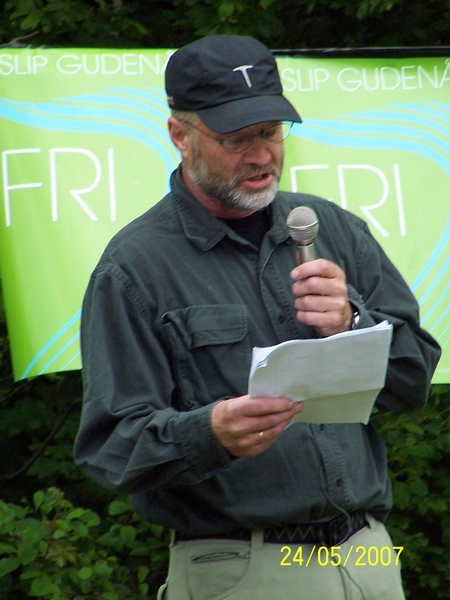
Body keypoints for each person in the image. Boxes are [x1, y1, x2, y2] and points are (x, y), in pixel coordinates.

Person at [73, 35, 441, 600]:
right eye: (236, 139)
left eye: (270, 132)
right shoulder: (134, 267)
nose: (261, 154)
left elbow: (414, 380)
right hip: (243, 565)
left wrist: (352, 323)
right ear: (179, 135)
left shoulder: (331, 227)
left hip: (368, 553)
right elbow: (110, 448)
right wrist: (207, 433)